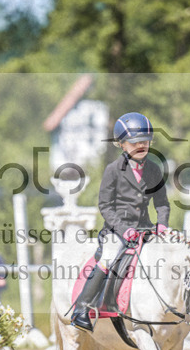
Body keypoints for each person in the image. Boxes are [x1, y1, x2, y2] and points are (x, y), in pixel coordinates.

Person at [71, 112, 170, 331]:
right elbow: (105, 206)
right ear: (122, 145)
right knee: (107, 258)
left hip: (145, 228)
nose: (141, 146)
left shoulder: (154, 169)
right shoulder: (113, 170)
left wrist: (162, 225)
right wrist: (124, 230)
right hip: (117, 231)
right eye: (135, 143)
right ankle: (81, 309)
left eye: (145, 142)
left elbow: (162, 203)